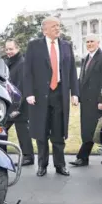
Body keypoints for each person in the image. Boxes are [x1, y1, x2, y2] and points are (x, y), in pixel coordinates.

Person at [24, 16, 79, 177]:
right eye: (54, 26)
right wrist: (29, 93)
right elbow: (27, 72)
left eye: (58, 25)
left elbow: (72, 71)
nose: (57, 28)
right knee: (41, 132)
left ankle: (60, 165)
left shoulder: (66, 45)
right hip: (40, 96)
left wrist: (75, 93)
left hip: (60, 94)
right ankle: (42, 165)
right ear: (45, 29)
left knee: (58, 132)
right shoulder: (34, 46)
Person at [69, 34, 102, 167]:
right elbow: (81, 80)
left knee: (98, 129)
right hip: (86, 102)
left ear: (98, 43)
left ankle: (82, 158)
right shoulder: (85, 59)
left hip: (98, 102)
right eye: (87, 42)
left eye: (92, 41)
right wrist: (75, 94)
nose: (89, 44)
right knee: (91, 129)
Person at [4, 39, 35, 166]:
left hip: (19, 105)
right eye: (7, 49)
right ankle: (2, 153)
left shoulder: (21, 63)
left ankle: (28, 157)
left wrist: (16, 108)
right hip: (11, 104)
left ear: (17, 49)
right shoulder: (10, 63)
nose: (9, 52)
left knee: (22, 131)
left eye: (11, 49)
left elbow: (22, 87)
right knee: (2, 129)